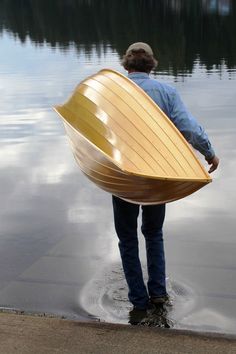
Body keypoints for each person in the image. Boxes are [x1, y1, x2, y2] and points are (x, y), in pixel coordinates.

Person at [112, 42, 219, 315]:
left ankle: (138, 301)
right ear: (151, 64)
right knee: (153, 233)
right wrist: (209, 153)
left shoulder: (113, 94)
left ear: (126, 64)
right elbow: (188, 128)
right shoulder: (166, 92)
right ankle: (158, 294)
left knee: (127, 239)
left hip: (122, 177)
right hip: (156, 176)